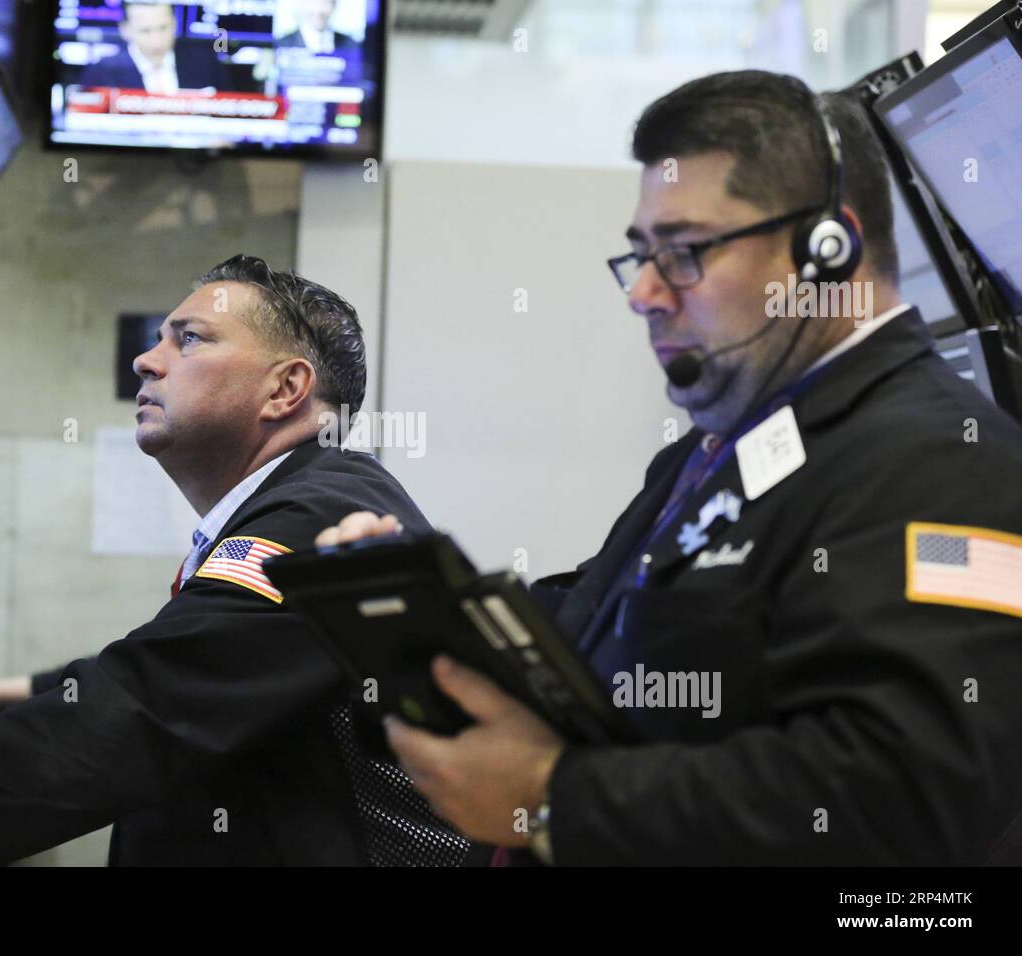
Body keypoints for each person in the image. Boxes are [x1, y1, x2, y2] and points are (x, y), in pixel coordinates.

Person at [318, 71, 1022, 865]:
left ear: (831, 251)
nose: (644, 293)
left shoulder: (947, 461)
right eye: (642, 255)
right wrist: (422, 623)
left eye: (684, 252)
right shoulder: (707, 454)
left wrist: (554, 799)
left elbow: (904, 794)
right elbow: (600, 635)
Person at [0, 255, 469, 867]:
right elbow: (167, 679)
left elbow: (147, 702)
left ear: (285, 390)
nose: (147, 358)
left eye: (189, 340)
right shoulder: (307, 499)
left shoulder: (320, 516)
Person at [76, 2, 223, 93]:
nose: (156, 41)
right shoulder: (101, 72)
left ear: (175, 23)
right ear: (125, 30)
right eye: (145, 31)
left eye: (163, 28)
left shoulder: (205, 64)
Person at [275, 0, 359, 52]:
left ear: (334, 5)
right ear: (302, 4)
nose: (318, 10)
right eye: (312, 1)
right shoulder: (280, 45)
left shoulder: (352, 46)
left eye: (325, 2)